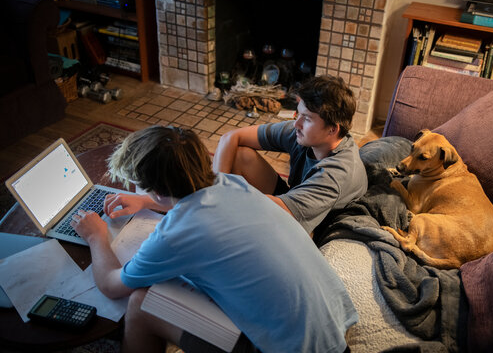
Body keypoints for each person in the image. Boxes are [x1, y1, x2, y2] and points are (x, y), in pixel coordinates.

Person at [70, 126, 358, 353]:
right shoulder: (232, 183)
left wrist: (96, 235)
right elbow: (196, 203)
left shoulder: (176, 234)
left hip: (289, 349)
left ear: (156, 190)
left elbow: (110, 284)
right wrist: (146, 202)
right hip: (334, 328)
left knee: (141, 301)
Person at [213, 75, 368, 234]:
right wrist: (214, 193)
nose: (296, 124)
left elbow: (277, 212)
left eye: (307, 119)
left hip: (316, 230)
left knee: (245, 223)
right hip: (295, 202)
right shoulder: (302, 134)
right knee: (241, 156)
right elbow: (231, 137)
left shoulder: (337, 174)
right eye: (298, 113)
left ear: (332, 129)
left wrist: (224, 204)